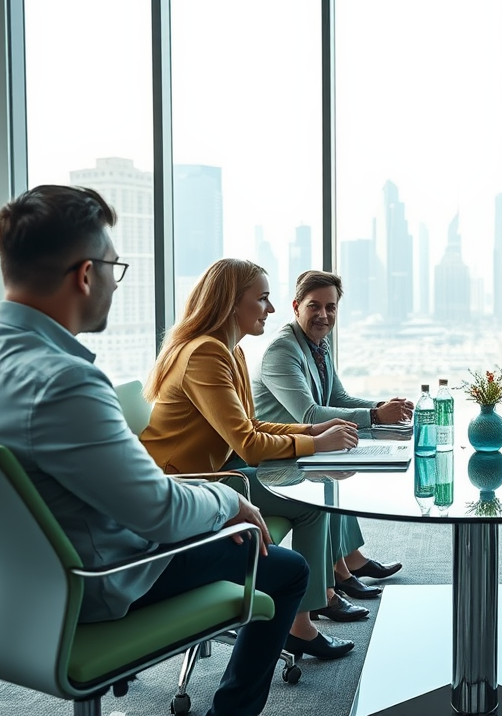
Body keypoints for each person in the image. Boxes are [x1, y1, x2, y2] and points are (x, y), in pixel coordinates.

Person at [0, 185, 309, 716]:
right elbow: (161, 514)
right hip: (96, 586)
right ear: (85, 274)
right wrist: (229, 504)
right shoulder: (66, 382)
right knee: (285, 567)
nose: (113, 282)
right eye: (113, 267)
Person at [139, 258, 364, 662]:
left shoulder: (230, 351)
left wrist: (313, 432)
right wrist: (316, 444)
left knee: (316, 489)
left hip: (221, 473)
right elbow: (247, 444)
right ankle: (301, 623)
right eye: (262, 299)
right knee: (311, 500)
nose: (271, 309)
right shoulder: (205, 354)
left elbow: (252, 423)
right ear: (230, 303)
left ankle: (312, 606)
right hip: (188, 484)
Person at [252, 269, 408, 592]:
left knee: (340, 467)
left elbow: (338, 397)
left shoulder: (318, 343)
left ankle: (350, 561)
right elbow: (310, 413)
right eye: (314, 306)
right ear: (296, 307)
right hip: (275, 457)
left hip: (305, 449)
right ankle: (332, 582)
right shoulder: (283, 351)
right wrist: (375, 416)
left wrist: (382, 409)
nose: (323, 315)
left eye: (331, 307)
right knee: (331, 472)